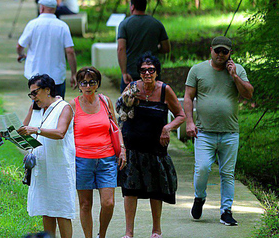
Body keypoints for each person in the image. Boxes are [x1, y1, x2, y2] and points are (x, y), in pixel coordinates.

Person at [184, 36, 254, 227]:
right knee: (203, 168)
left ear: (230, 53)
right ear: (211, 50)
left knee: (227, 173)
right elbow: (188, 97)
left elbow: (248, 93)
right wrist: (189, 122)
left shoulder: (237, 70)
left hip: (230, 132)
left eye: (225, 52)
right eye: (218, 51)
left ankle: (226, 211)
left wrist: (235, 76)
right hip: (204, 132)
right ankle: (199, 197)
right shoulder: (197, 70)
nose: (220, 55)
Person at [118, 53, 185, 238]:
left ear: (157, 72)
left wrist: (167, 128)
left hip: (155, 147)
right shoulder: (132, 87)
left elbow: (181, 115)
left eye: (151, 70)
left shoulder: (165, 90)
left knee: (156, 189)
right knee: (130, 190)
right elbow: (120, 113)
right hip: (133, 146)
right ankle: (128, 232)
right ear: (139, 72)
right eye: (143, 70)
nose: (147, 73)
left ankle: (156, 230)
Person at [18, 74, 76, 238]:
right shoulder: (34, 108)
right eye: (31, 94)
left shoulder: (63, 107)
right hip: (41, 167)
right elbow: (23, 131)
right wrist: (5, 133)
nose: (33, 97)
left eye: (35, 93)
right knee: (46, 209)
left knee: (62, 211)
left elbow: (60, 133)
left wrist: (35, 129)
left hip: (59, 166)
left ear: (47, 90)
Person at [73, 67, 126, 238]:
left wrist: (123, 149)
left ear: (97, 84)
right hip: (82, 160)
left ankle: (101, 235)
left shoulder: (105, 101)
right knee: (85, 204)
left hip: (107, 159)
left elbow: (115, 128)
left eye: (92, 82)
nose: (88, 86)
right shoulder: (72, 105)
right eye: (84, 82)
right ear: (78, 85)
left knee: (108, 202)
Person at [17, 0, 78, 99]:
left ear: (41, 8)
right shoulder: (62, 26)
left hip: (35, 76)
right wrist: (73, 73)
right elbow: (70, 51)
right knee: (57, 109)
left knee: (37, 108)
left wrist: (21, 55)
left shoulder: (32, 25)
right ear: (54, 9)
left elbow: (20, 45)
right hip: (56, 77)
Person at [117, 0, 170, 92]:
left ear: (132, 7)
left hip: (132, 72)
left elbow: (121, 48)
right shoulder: (156, 24)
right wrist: (155, 48)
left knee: (128, 103)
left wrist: (124, 73)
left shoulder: (124, 24)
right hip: (152, 71)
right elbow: (166, 48)